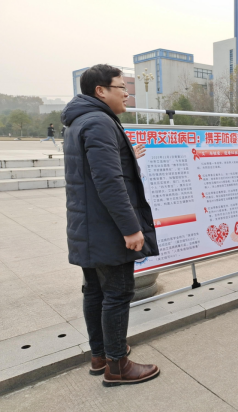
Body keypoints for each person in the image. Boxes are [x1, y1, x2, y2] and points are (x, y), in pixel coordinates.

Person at [62, 64, 160, 387]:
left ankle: (100, 355)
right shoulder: (100, 122)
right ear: (100, 91)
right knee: (118, 292)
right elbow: (108, 181)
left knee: (94, 291)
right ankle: (118, 366)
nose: (127, 95)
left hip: (88, 226)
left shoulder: (78, 122)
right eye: (122, 88)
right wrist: (131, 228)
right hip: (107, 228)